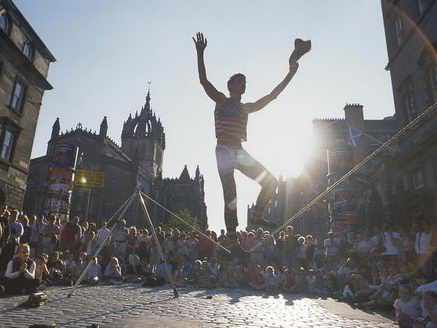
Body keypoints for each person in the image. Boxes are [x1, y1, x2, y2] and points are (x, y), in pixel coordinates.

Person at [193, 32, 309, 237]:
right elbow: (204, 81)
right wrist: (200, 53)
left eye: (245, 82)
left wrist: (291, 73)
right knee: (231, 193)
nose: (244, 84)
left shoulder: (247, 108)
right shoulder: (221, 100)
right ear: (231, 86)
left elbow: (273, 96)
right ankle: (231, 234)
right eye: (240, 82)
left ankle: (257, 216)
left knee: (271, 181)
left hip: (238, 150)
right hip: (224, 151)